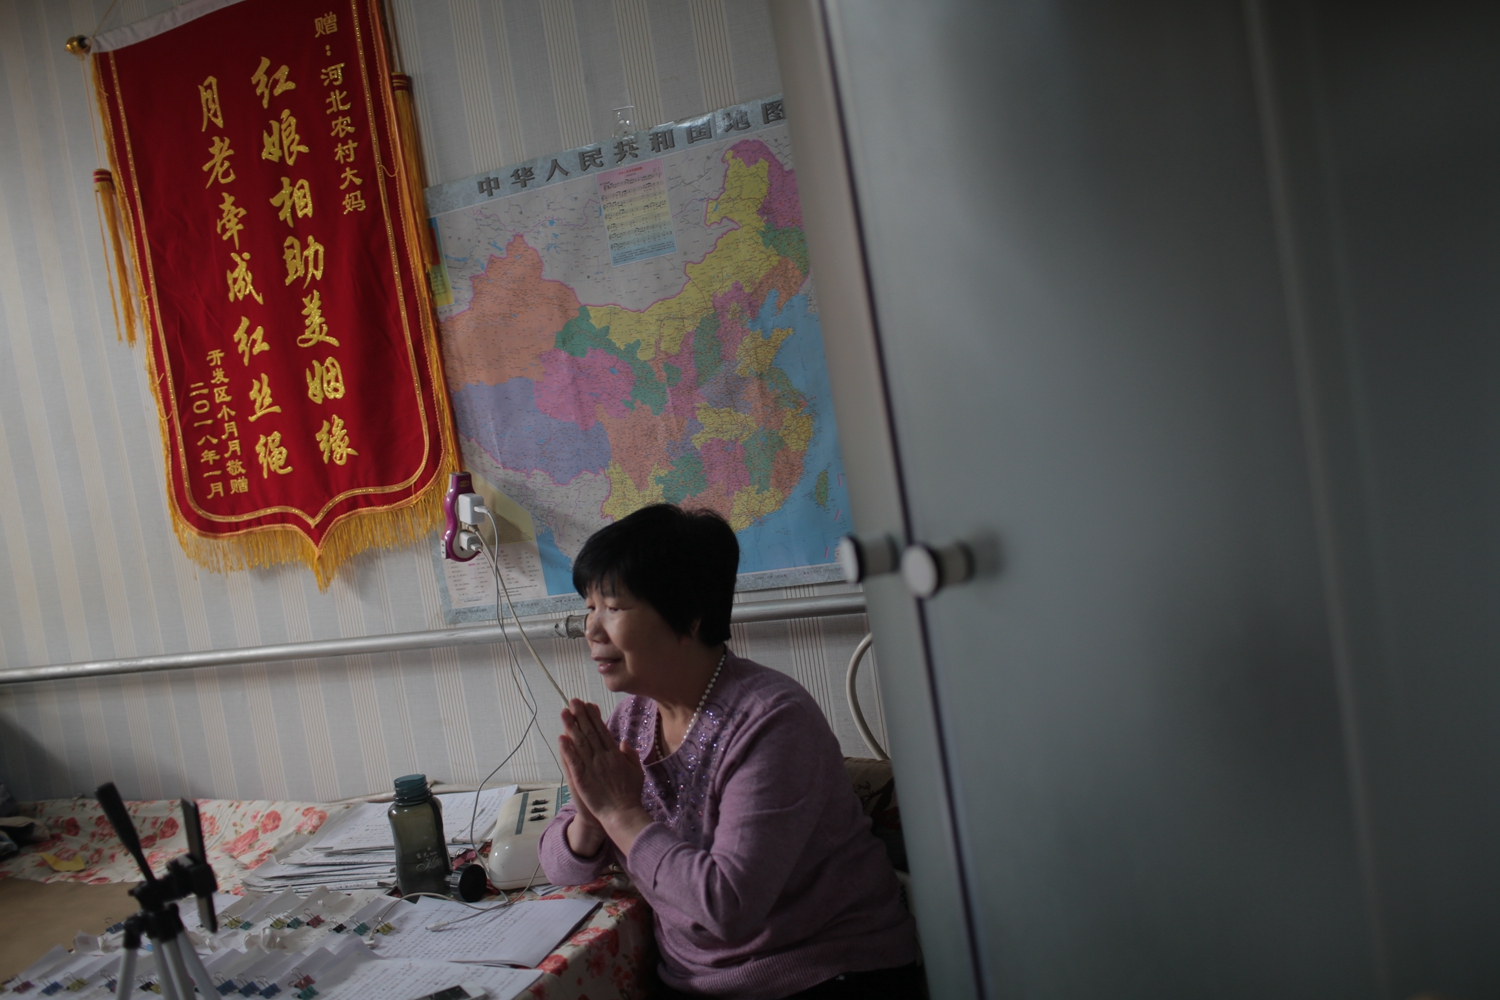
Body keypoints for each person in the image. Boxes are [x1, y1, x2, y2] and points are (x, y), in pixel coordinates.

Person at [539, 504, 922, 999]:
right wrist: (590, 818)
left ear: (689, 616)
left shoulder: (772, 721)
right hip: (696, 981)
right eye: (589, 606)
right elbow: (562, 869)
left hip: (820, 972)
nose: (591, 629)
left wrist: (620, 814)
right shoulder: (631, 718)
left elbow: (729, 908)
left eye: (613, 607)